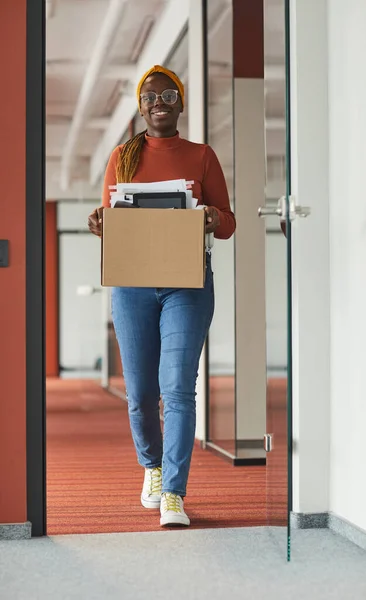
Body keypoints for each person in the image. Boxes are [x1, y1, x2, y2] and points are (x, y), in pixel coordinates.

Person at [88, 65, 236, 527]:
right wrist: (99, 225)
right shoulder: (123, 157)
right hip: (132, 285)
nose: (158, 103)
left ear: (180, 103)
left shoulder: (201, 155)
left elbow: (229, 223)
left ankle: (173, 492)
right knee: (140, 393)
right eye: (150, 97)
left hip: (186, 283)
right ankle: (151, 468)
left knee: (177, 388)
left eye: (168, 95)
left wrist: (211, 214)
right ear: (140, 105)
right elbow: (112, 223)